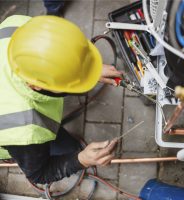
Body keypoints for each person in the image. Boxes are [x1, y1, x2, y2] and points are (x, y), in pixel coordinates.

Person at [0, 15, 122, 184]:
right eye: (73, 80)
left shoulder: (15, 25)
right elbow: (39, 175)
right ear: (36, 85)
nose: (83, 82)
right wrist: (81, 160)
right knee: (68, 149)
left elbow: (58, 50)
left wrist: (87, 68)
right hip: (17, 139)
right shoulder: (25, 133)